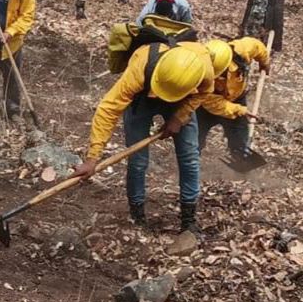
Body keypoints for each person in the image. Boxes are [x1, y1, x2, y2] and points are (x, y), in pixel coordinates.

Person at [71, 43, 214, 232]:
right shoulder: (139, 67)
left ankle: (189, 220)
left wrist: (180, 117)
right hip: (142, 98)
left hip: (183, 99)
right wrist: (92, 158)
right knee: (138, 160)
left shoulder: (203, 67)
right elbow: (108, 109)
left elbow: (204, 92)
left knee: (189, 157)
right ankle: (137, 216)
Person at [196, 37, 271, 158]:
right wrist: (240, 110)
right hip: (206, 105)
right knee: (195, 138)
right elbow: (212, 103)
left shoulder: (241, 50)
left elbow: (258, 47)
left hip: (236, 98)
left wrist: (264, 62)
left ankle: (240, 160)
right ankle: (192, 163)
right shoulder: (200, 74)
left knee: (240, 139)